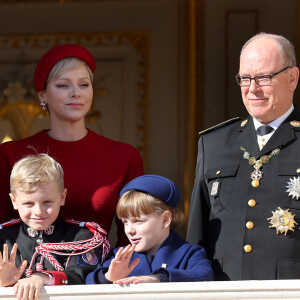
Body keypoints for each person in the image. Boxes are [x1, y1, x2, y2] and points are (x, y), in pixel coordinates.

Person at [0, 44, 144, 246]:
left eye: (84, 84)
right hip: (25, 274)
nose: (76, 93)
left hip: (99, 274)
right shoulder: (11, 154)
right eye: (63, 85)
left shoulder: (124, 156)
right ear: (43, 95)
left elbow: (133, 239)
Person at [187, 32, 300, 280]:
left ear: (292, 78)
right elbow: (197, 239)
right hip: (224, 292)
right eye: (245, 78)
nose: (252, 89)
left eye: (263, 77)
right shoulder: (214, 143)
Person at [0, 153, 109, 300]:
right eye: (28, 203)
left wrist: (43, 278)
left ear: (62, 197)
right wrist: (4, 283)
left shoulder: (81, 237)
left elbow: (82, 276)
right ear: (14, 201)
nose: (38, 212)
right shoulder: (4, 237)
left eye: (47, 202)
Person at [86, 175, 213, 284]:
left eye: (138, 221)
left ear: (165, 220)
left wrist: (159, 278)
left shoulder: (189, 254)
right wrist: (109, 277)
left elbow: (204, 275)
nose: (129, 230)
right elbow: (89, 283)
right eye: (125, 222)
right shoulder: (118, 256)